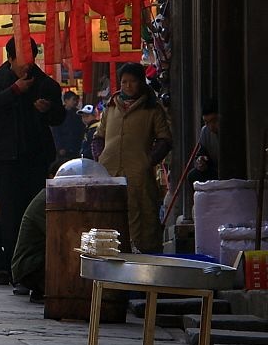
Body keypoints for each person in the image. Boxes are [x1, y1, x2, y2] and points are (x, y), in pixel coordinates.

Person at [0, 38, 65, 289]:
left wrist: (47, 110)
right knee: (11, 216)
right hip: (6, 159)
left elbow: (60, 117)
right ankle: (16, 271)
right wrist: (14, 90)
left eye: (32, 57)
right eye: (22, 59)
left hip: (37, 158)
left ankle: (35, 270)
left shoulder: (45, 83)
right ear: (11, 58)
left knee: (35, 215)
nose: (28, 64)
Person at [93, 62, 172, 253]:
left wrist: (147, 161)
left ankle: (145, 262)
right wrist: (100, 159)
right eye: (124, 82)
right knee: (111, 216)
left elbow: (164, 140)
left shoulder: (152, 109)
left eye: (132, 81)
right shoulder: (110, 107)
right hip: (110, 173)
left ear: (141, 83)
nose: (127, 86)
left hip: (139, 174)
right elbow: (98, 137)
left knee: (143, 217)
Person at [10, 189, 47, 303]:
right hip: (29, 268)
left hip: (28, 265)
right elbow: (57, 234)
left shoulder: (47, 195)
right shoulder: (48, 199)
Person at [187, 98, 220, 187]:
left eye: (214, 121)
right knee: (193, 175)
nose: (211, 126)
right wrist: (200, 161)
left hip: (231, 174)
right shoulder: (205, 131)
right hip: (215, 172)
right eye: (206, 122)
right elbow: (201, 154)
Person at [51, 91, 85, 171]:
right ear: (66, 100)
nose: (75, 102)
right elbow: (56, 132)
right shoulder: (59, 114)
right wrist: (59, 147)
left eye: (76, 100)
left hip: (76, 147)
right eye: (73, 100)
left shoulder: (78, 114)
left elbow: (81, 130)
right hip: (64, 148)